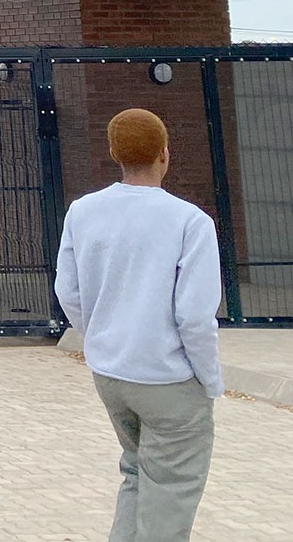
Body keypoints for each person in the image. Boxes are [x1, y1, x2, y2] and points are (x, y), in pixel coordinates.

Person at [55, 108, 222, 542]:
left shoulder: (82, 212)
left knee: (136, 471)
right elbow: (195, 316)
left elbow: (68, 291)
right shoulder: (190, 221)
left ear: (114, 153)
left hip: (111, 372)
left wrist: (99, 338)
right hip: (168, 379)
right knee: (170, 490)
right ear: (165, 153)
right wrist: (209, 379)